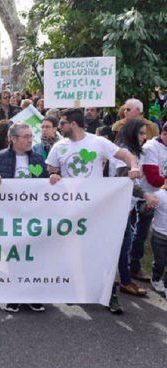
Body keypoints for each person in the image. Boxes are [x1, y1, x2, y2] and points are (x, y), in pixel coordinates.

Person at [46, 108, 142, 314]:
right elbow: (51, 169)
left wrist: (134, 166)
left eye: (62, 123)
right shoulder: (58, 146)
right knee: (75, 250)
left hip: (96, 208)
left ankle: (110, 294)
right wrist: (53, 176)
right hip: (71, 209)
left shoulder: (98, 142)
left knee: (103, 251)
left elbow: (125, 155)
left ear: (73, 124)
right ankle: (76, 290)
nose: (59, 127)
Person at [0, 122, 51, 313]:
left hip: (32, 215)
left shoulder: (38, 160)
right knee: (12, 256)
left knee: (33, 255)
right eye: (25, 137)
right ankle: (14, 296)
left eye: (31, 136)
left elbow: (45, 185)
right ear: (12, 139)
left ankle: (33, 296)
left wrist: (53, 179)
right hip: (8, 215)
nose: (30, 140)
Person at [113, 119, 155, 296]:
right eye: (141, 133)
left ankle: (122, 278)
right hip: (116, 206)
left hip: (127, 204)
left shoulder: (137, 152)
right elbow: (125, 179)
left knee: (124, 244)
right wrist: (145, 195)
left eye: (145, 133)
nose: (144, 137)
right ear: (131, 133)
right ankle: (124, 281)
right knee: (124, 244)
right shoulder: (124, 152)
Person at [141, 122, 167, 294]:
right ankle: (155, 278)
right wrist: (149, 205)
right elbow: (152, 176)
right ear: (164, 134)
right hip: (159, 235)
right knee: (160, 260)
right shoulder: (152, 147)